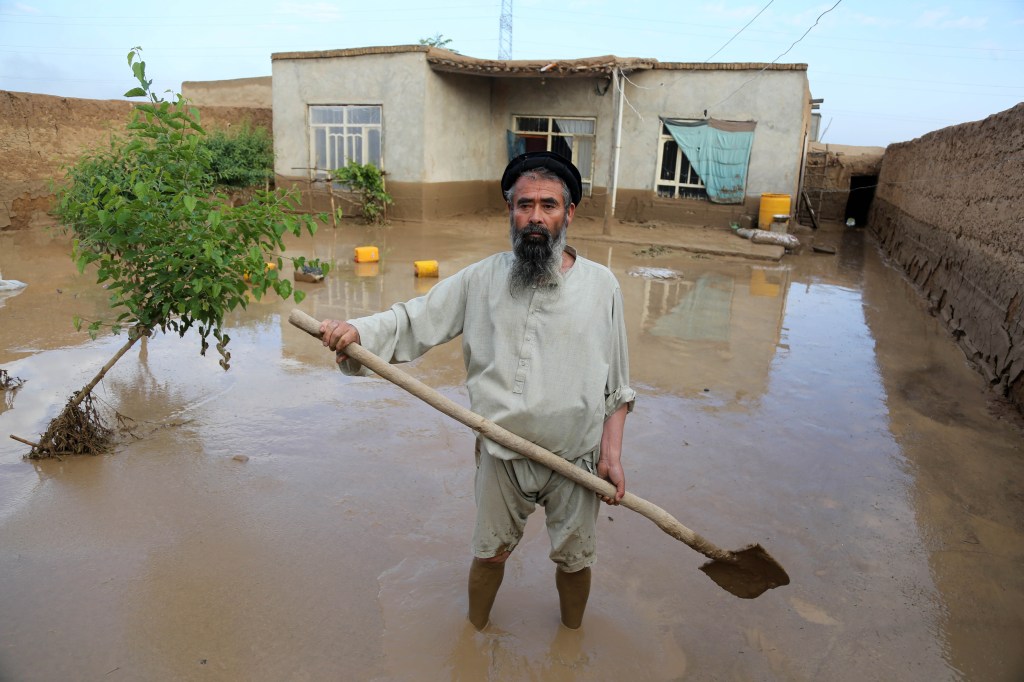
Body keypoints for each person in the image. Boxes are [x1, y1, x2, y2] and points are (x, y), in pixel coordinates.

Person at [320, 151, 635, 630]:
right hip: (500, 453)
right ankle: (475, 637)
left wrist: (611, 454)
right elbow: (413, 320)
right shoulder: (481, 279)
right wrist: (357, 332)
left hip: (577, 459)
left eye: (548, 205)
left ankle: (571, 641)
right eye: (523, 205)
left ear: (569, 213)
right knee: (489, 556)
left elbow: (618, 387)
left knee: (575, 562)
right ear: (510, 211)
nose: (534, 217)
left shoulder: (602, 286)